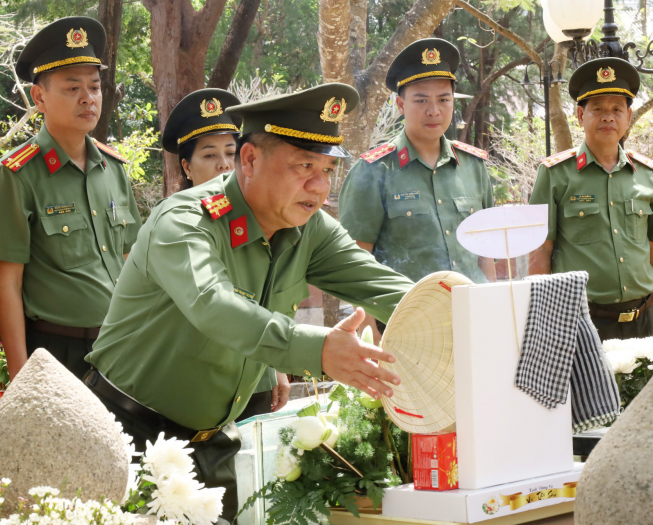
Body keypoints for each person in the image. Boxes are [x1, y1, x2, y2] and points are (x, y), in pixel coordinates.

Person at [83, 83, 413, 522]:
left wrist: (462, 306)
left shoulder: (310, 228)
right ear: (251, 160)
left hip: (213, 444)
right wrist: (319, 349)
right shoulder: (186, 221)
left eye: (328, 169)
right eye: (304, 166)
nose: (319, 186)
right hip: (126, 435)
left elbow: (387, 289)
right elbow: (214, 306)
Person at [0, 17, 142, 381]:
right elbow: (8, 286)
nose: (88, 98)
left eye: (94, 87)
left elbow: (132, 264)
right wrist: (21, 376)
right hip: (56, 352)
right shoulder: (15, 175)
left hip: (120, 347)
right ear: (39, 98)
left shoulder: (113, 168)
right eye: (72, 88)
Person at [339, 38, 495, 343]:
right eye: (421, 100)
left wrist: (492, 306)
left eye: (444, 99)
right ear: (400, 105)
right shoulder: (374, 171)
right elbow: (355, 260)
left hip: (474, 320)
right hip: (405, 329)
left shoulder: (473, 166)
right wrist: (369, 331)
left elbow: (485, 252)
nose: (434, 111)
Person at [163, 87, 291, 418]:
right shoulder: (176, 224)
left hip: (254, 377)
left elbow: (269, 299)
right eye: (209, 155)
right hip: (198, 382)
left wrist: (276, 367)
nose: (222, 164)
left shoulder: (263, 220)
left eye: (230, 153)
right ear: (187, 167)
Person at [529, 57, 653, 341]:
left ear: (628, 117)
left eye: (617, 109)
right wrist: (543, 316)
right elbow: (541, 249)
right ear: (580, 115)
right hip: (582, 323)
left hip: (643, 321)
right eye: (598, 109)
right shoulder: (555, 175)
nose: (608, 117)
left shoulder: (647, 174)